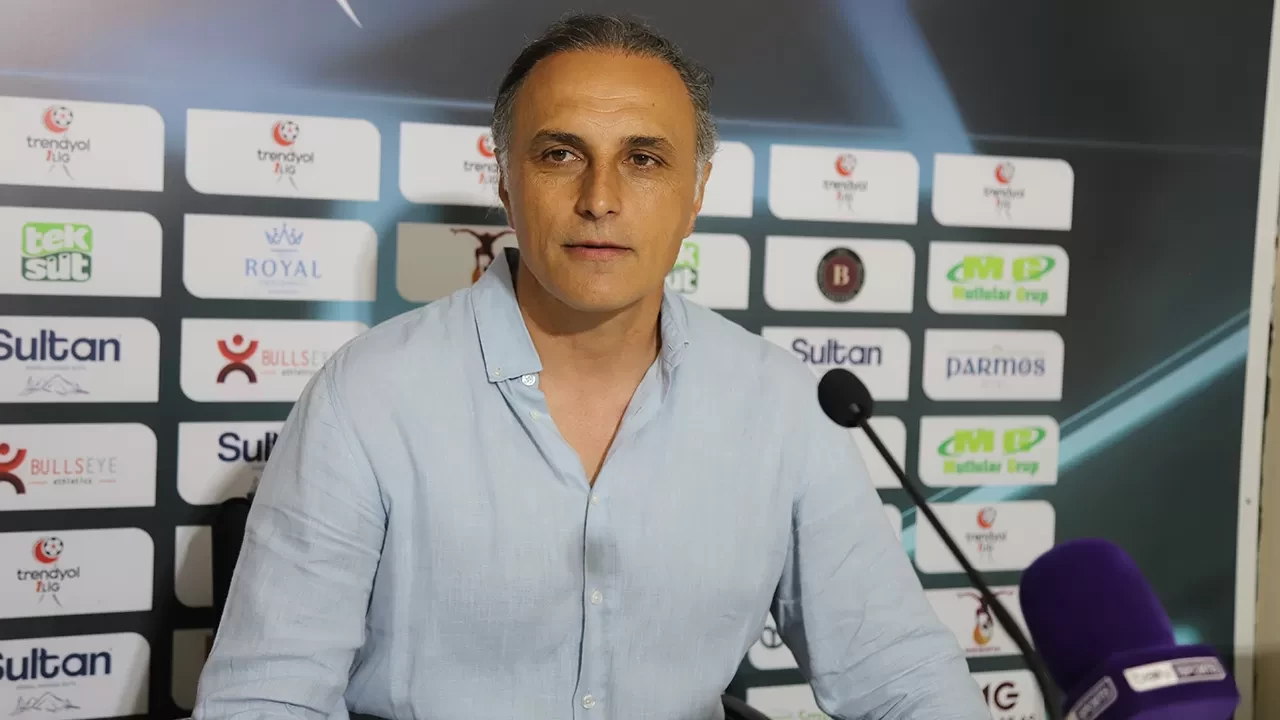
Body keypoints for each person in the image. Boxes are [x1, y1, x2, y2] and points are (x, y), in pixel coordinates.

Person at [193, 12, 988, 720]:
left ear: (696, 193)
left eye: (643, 159)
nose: (600, 197)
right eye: (560, 153)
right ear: (506, 183)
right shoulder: (367, 395)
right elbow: (265, 700)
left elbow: (900, 676)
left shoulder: (779, 404)